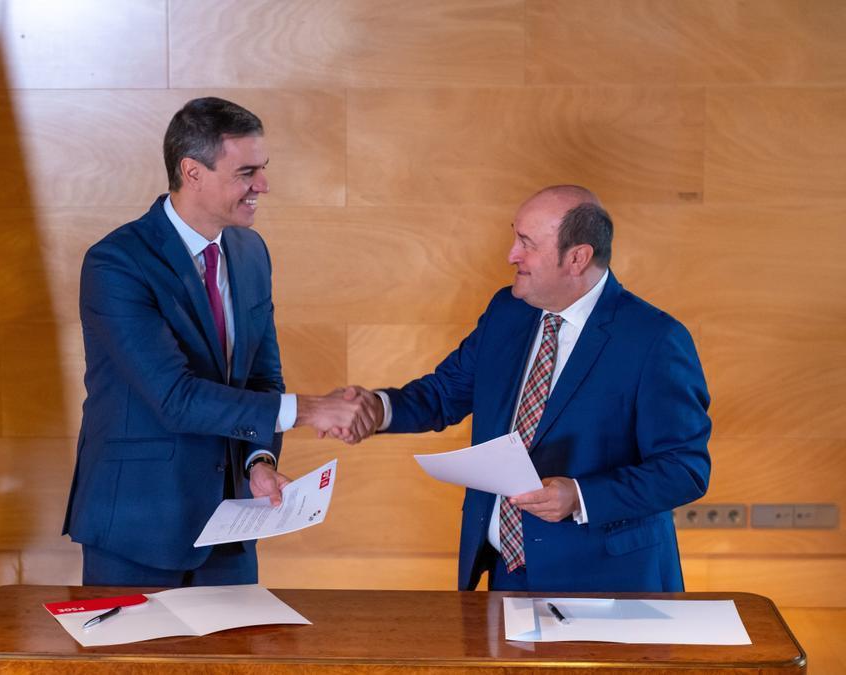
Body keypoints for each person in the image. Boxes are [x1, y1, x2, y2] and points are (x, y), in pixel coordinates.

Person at [63, 97, 376, 586]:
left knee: (235, 664)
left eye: (263, 169)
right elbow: (174, 398)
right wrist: (311, 410)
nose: (263, 186)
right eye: (246, 172)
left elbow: (260, 377)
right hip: (137, 526)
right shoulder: (116, 263)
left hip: (230, 526)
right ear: (192, 172)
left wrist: (259, 460)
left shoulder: (251, 253)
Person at [337, 185, 711, 592]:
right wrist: (377, 408)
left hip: (606, 582)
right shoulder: (507, 311)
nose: (511, 254)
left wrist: (582, 496)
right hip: (504, 573)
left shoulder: (655, 339)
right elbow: (445, 392)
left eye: (526, 243)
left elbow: (684, 469)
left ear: (577, 257)